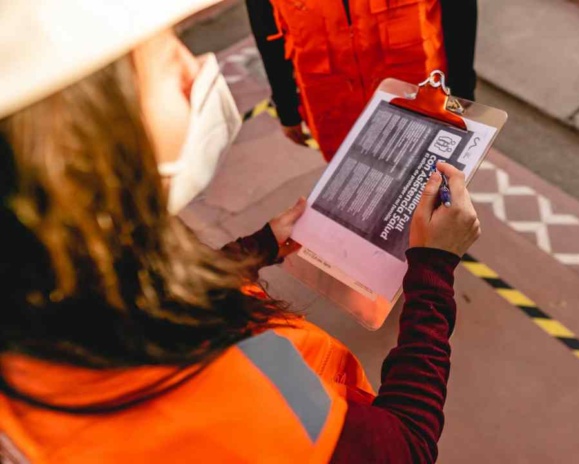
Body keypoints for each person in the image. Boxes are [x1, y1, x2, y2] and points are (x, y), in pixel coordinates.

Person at [0, 1, 481, 463]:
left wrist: (255, 248)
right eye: (170, 60)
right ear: (85, 141)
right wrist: (433, 273)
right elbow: (404, 448)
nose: (196, 73)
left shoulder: (50, 294)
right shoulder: (225, 404)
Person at [246, 0, 478, 160]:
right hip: (335, 116)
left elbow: (460, 12)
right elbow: (267, 34)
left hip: (422, 109)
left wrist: (463, 94)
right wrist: (286, 107)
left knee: (432, 195)